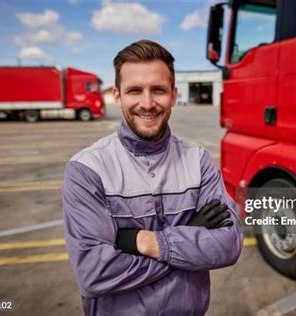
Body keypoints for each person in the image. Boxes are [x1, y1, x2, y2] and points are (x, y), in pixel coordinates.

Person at [62, 39, 243, 316]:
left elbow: (228, 244)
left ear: (173, 94)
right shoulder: (87, 169)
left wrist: (145, 241)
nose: (147, 103)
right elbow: (94, 273)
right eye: (135, 90)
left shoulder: (198, 160)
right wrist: (189, 237)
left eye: (158, 90)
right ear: (118, 95)